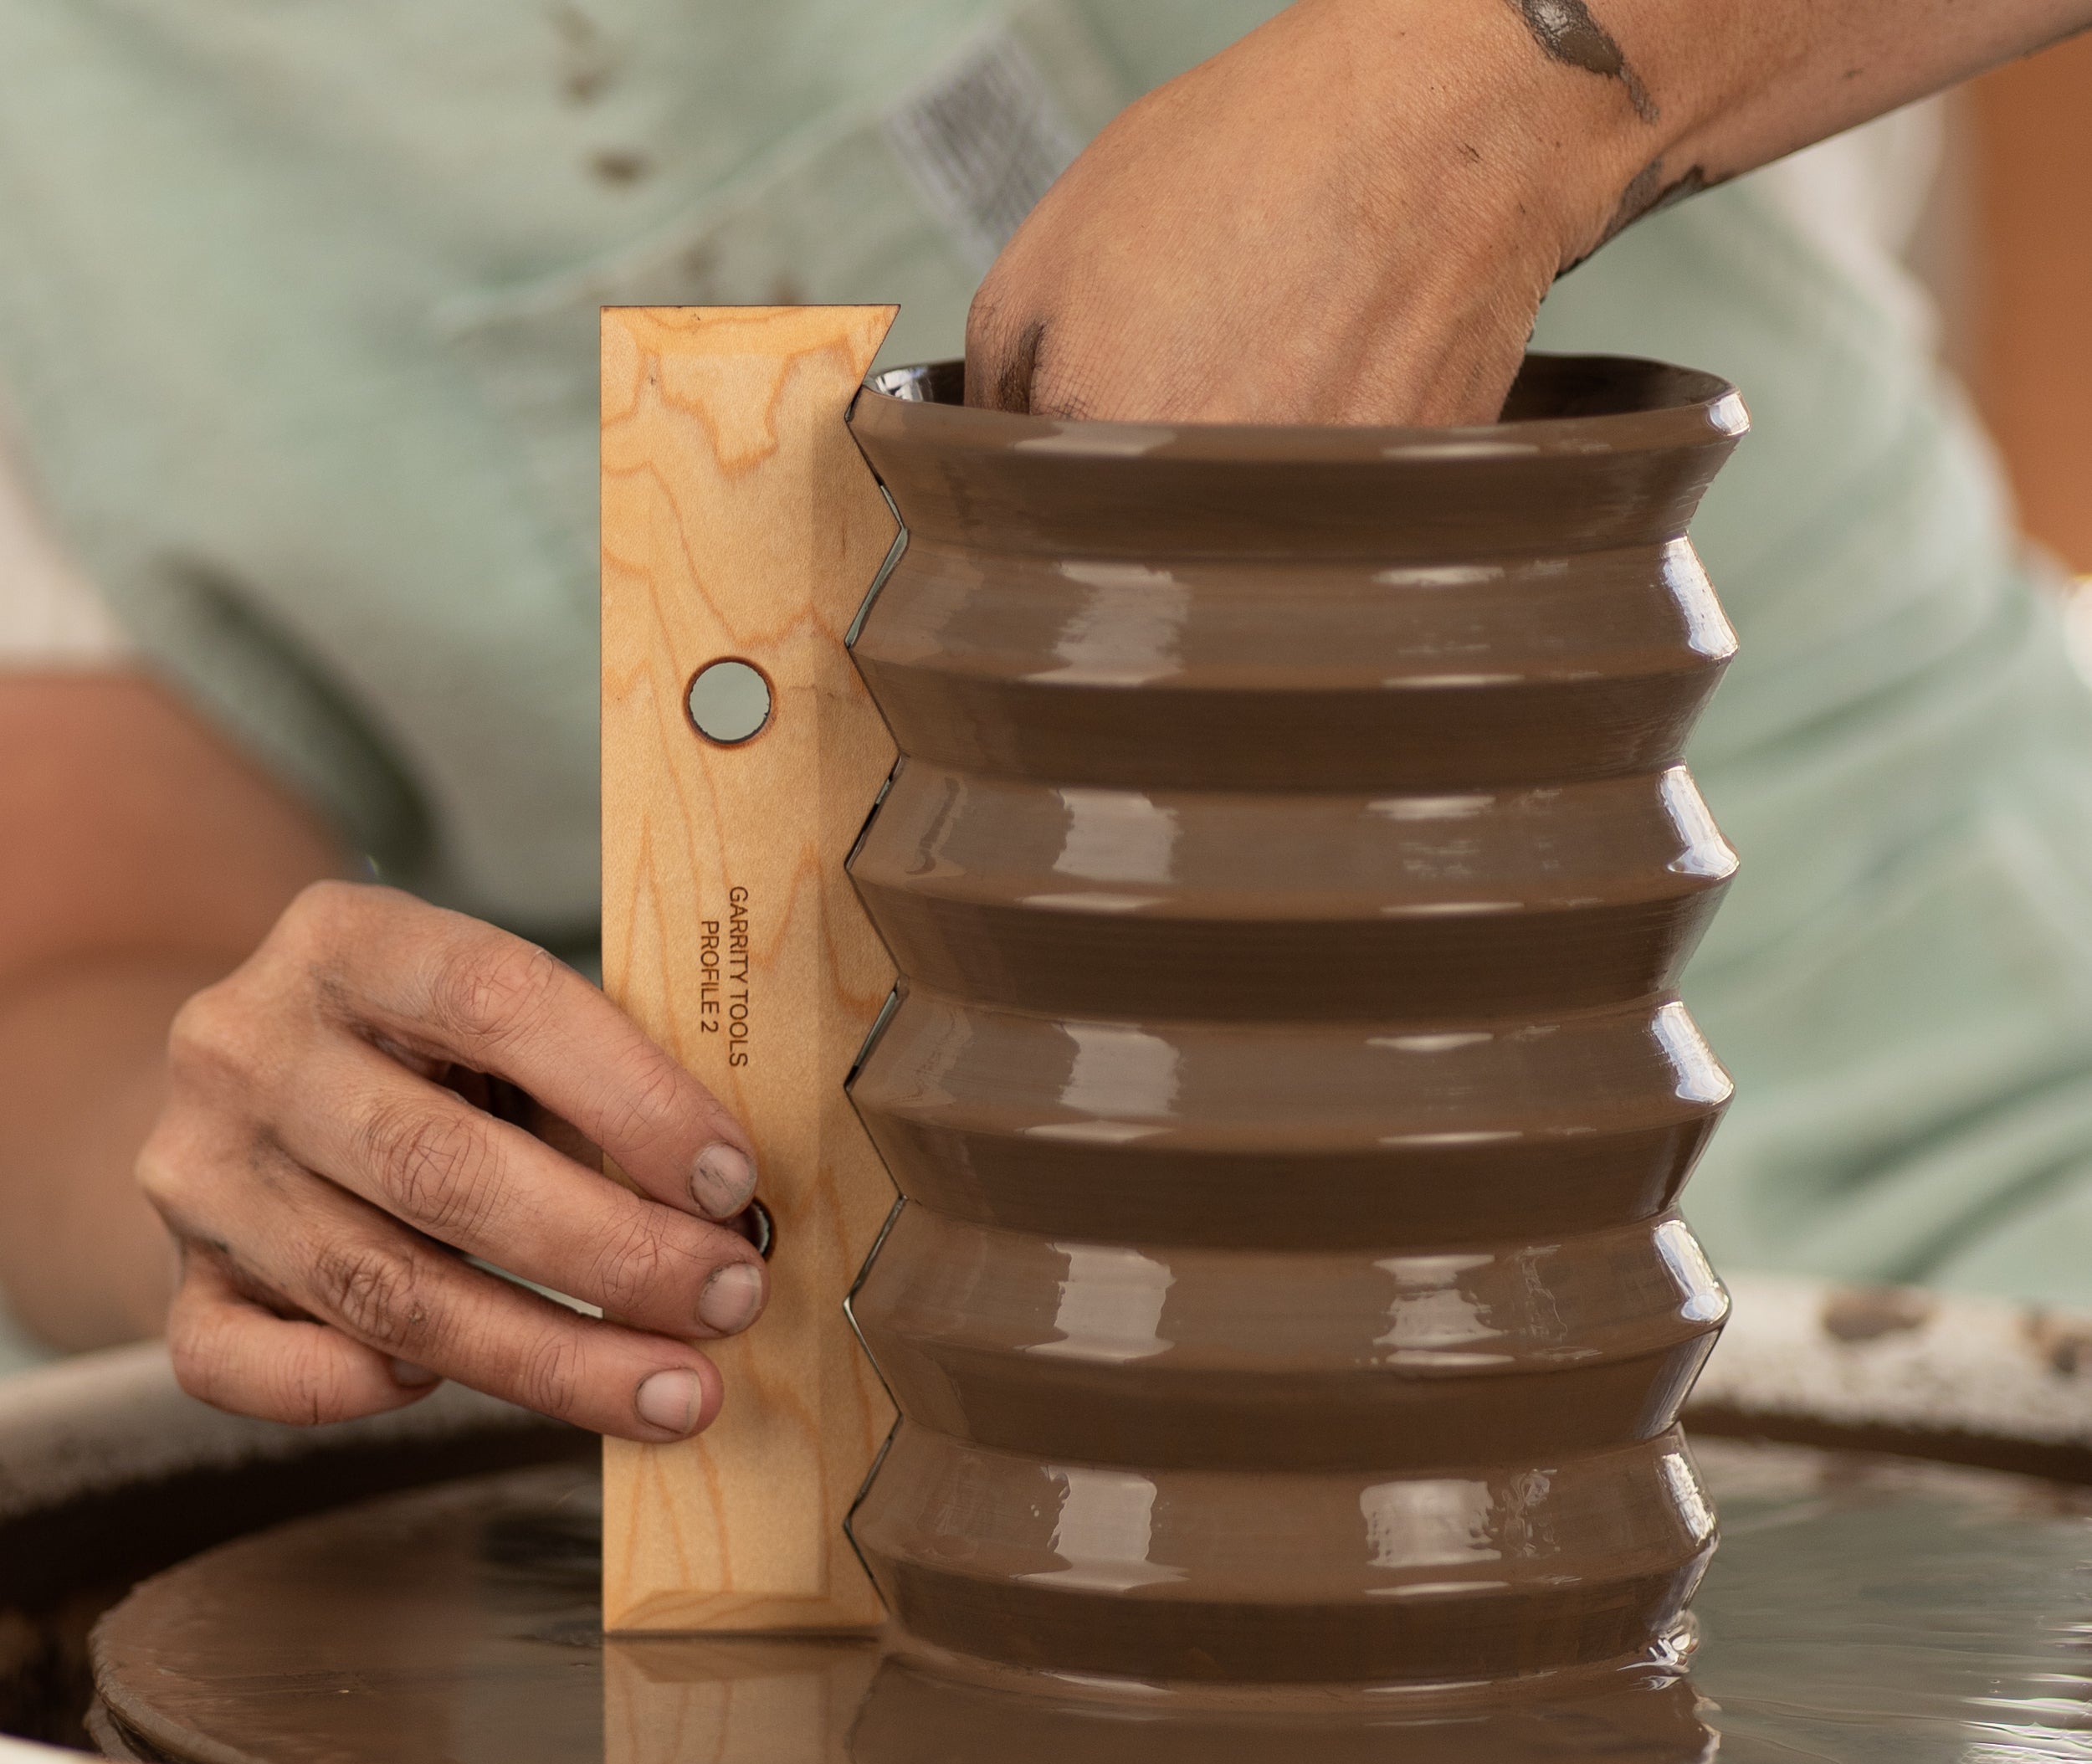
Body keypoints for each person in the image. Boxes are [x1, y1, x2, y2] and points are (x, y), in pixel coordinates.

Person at [1, 0, 2089, 1441]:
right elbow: (78, 951)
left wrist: (1499, 77)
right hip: (818, 1393)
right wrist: (308, 1178)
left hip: (1923, 1085)